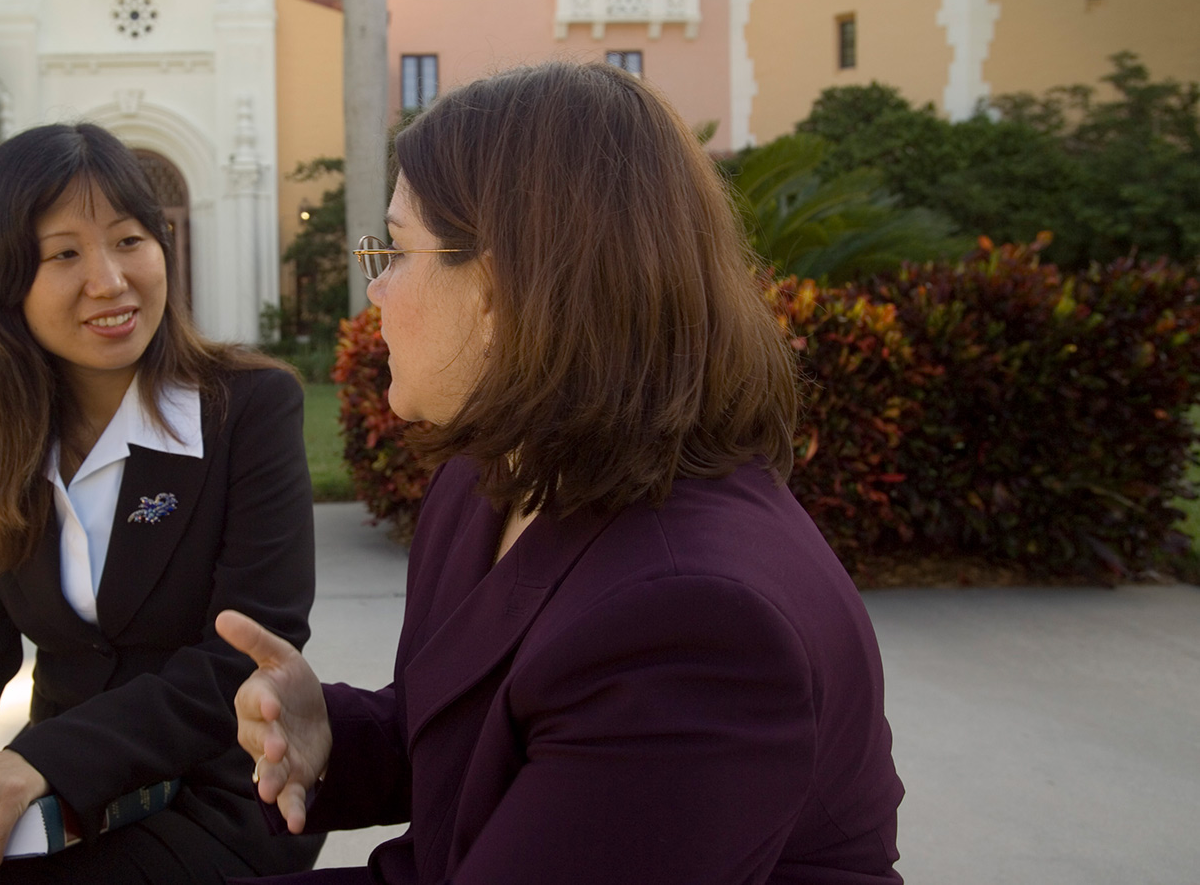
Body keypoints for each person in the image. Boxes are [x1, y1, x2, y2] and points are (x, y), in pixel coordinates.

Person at [217, 61, 905, 884]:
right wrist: (332, 729)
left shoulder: (691, 622)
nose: (375, 293)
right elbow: (480, 738)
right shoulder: (488, 479)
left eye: (394, 250)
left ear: (506, 287)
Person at [0, 123, 325, 884]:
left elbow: (241, 658)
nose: (110, 280)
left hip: (221, 796)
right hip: (55, 809)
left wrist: (35, 761)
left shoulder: (246, 409)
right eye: (64, 255)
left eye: (128, 240)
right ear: (4, 282)